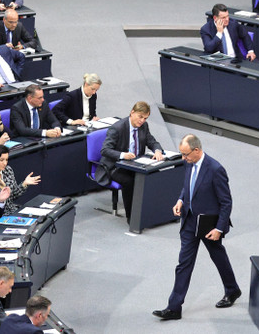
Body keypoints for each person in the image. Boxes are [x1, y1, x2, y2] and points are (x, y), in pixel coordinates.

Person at [153, 134, 240, 320]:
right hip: (189, 221)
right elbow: (188, 186)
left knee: (218, 257)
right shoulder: (189, 163)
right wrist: (180, 200)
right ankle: (174, 307)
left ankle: (232, 290)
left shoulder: (216, 169)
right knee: (183, 264)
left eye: (186, 154)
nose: (183, 158)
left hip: (209, 225)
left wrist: (218, 229)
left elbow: (226, 203)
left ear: (197, 150)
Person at [97, 101, 163, 222]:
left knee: (155, 174)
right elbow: (105, 150)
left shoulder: (144, 126)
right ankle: (132, 217)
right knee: (130, 181)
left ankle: (152, 211)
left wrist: (157, 150)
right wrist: (123, 155)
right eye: (140, 117)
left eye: (145, 118)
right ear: (132, 112)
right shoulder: (117, 128)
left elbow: (151, 141)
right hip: (115, 166)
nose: (142, 120)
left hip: (135, 164)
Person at [0, 145, 39, 215]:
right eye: (1, 160)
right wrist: (2, 188)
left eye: (6, 160)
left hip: (13, 210)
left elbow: (14, 195)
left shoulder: (8, 170)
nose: (5, 163)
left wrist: (24, 184)